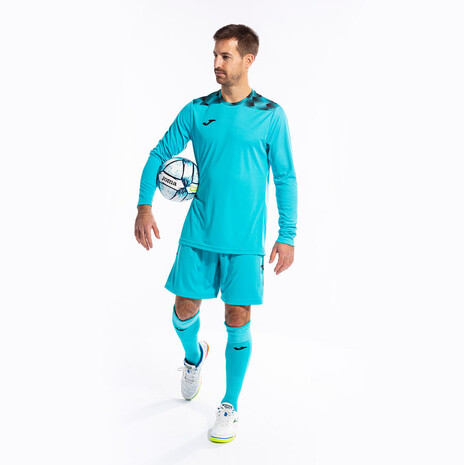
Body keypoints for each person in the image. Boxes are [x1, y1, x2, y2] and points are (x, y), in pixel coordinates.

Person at [134, 24, 298, 443]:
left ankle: (230, 404)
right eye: (215, 55)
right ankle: (194, 356)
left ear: (248, 60)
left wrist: (288, 234)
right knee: (183, 310)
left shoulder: (270, 115)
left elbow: (285, 178)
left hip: (245, 241)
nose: (217, 64)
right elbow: (158, 153)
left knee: (237, 318)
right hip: (199, 233)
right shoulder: (197, 110)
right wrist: (144, 206)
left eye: (226, 56)